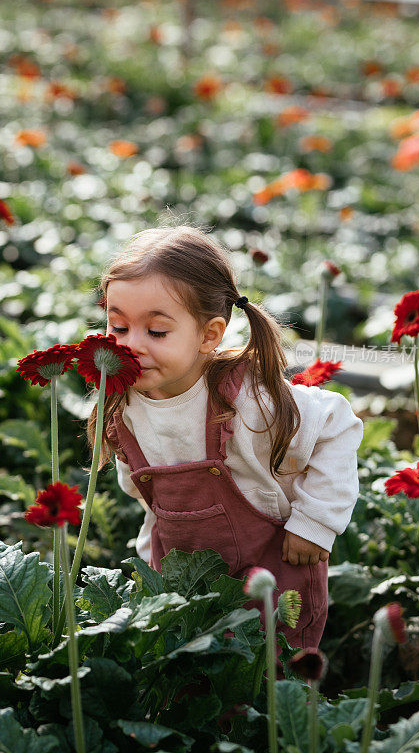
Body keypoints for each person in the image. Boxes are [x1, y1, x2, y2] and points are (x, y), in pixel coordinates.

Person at [87, 222, 363, 652]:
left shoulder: (247, 399)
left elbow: (338, 425)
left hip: (273, 567)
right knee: (190, 683)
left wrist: (316, 522)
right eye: (118, 328)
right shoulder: (124, 405)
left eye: (156, 331)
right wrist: (152, 547)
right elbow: (145, 489)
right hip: (185, 578)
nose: (132, 344)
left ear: (209, 335)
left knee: (269, 681)